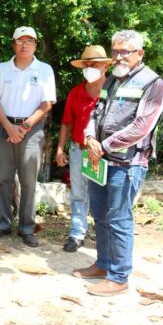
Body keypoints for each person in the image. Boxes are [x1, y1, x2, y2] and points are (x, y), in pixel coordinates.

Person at [74, 30, 163, 296]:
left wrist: (102, 146)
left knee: (119, 219)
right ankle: (103, 264)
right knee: (100, 215)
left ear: (140, 54)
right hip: (101, 161)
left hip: (127, 164)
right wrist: (90, 137)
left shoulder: (153, 83)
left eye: (125, 51)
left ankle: (119, 276)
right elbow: (96, 110)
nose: (119, 56)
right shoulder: (112, 80)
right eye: (115, 51)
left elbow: (141, 127)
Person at [0, 26, 56, 248]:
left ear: (35, 45)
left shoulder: (44, 70)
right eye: (20, 40)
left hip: (31, 129)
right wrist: (8, 127)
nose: (25, 45)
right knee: (3, 178)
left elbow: (47, 103)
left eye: (30, 41)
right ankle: (4, 223)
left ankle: (27, 227)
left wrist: (24, 126)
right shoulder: (1, 69)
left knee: (28, 181)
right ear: (13, 44)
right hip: (4, 126)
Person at [54, 45, 112, 252]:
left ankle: (104, 234)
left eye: (94, 64)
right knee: (79, 194)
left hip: (106, 154)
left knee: (104, 195)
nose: (90, 68)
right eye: (86, 65)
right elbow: (67, 123)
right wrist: (60, 148)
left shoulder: (113, 92)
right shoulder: (76, 92)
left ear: (105, 66)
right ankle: (77, 234)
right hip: (79, 150)